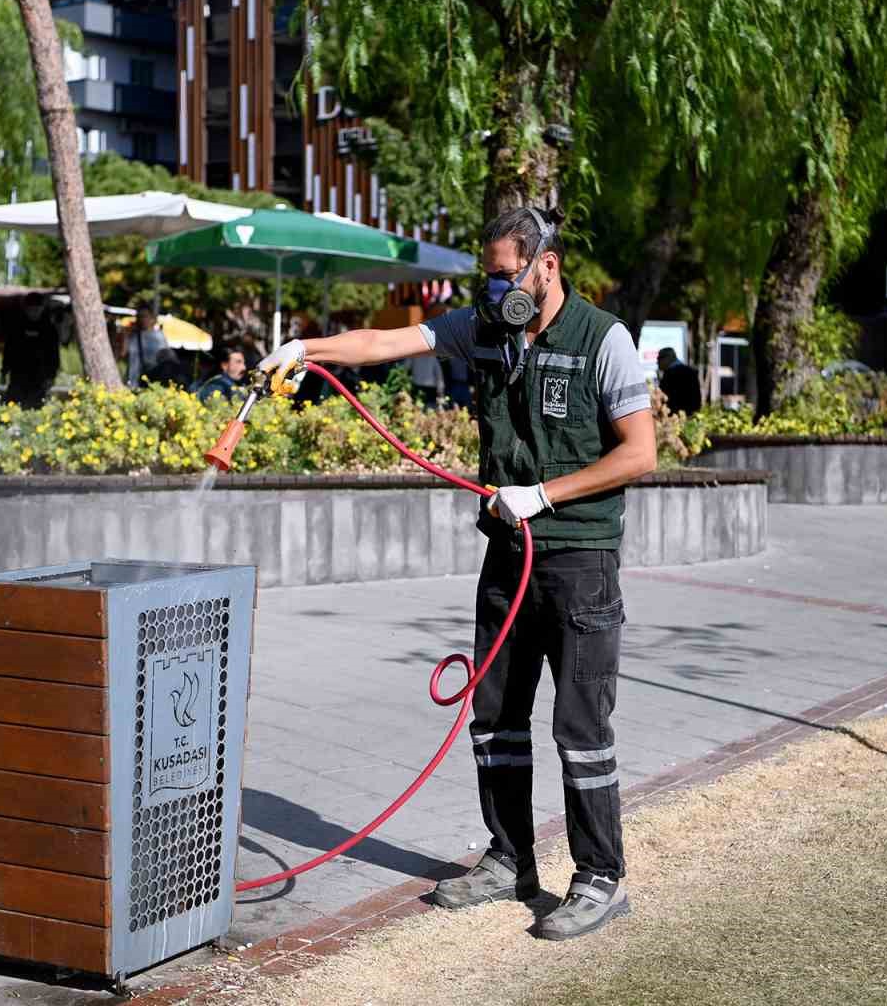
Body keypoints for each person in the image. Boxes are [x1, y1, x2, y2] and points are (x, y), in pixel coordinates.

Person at [259, 205, 655, 941]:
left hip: (580, 565)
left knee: (580, 729)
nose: (496, 289)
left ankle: (601, 878)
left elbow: (640, 453)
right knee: (496, 720)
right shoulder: (484, 328)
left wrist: (545, 493)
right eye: (489, 275)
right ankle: (510, 860)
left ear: (547, 265)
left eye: (507, 275)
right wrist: (306, 348)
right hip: (507, 559)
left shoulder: (606, 340)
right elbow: (386, 339)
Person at [0, 294, 61, 408]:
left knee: (36, 406)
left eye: (37, 309)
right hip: (18, 375)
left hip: (40, 377)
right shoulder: (17, 327)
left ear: (42, 308)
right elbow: (8, 351)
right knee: (13, 406)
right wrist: (4, 372)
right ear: (26, 309)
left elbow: (54, 355)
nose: (34, 312)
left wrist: (52, 376)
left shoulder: (49, 329)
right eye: (31, 309)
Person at [125, 307, 172, 388]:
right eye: (140, 317)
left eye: (145, 316)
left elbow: (165, 358)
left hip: (153, 381)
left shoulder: (159, 336)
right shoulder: (134, 337)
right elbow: (125, 355)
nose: (142, 319)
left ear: (152, 319)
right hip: (134, 382)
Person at [657, 346, 702, 417]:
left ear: (668, 358)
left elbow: (664, 398)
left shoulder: (670, 374)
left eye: (660, 358)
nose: (657, 362)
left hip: (675, 418)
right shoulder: (690, 371)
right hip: (691, 416)